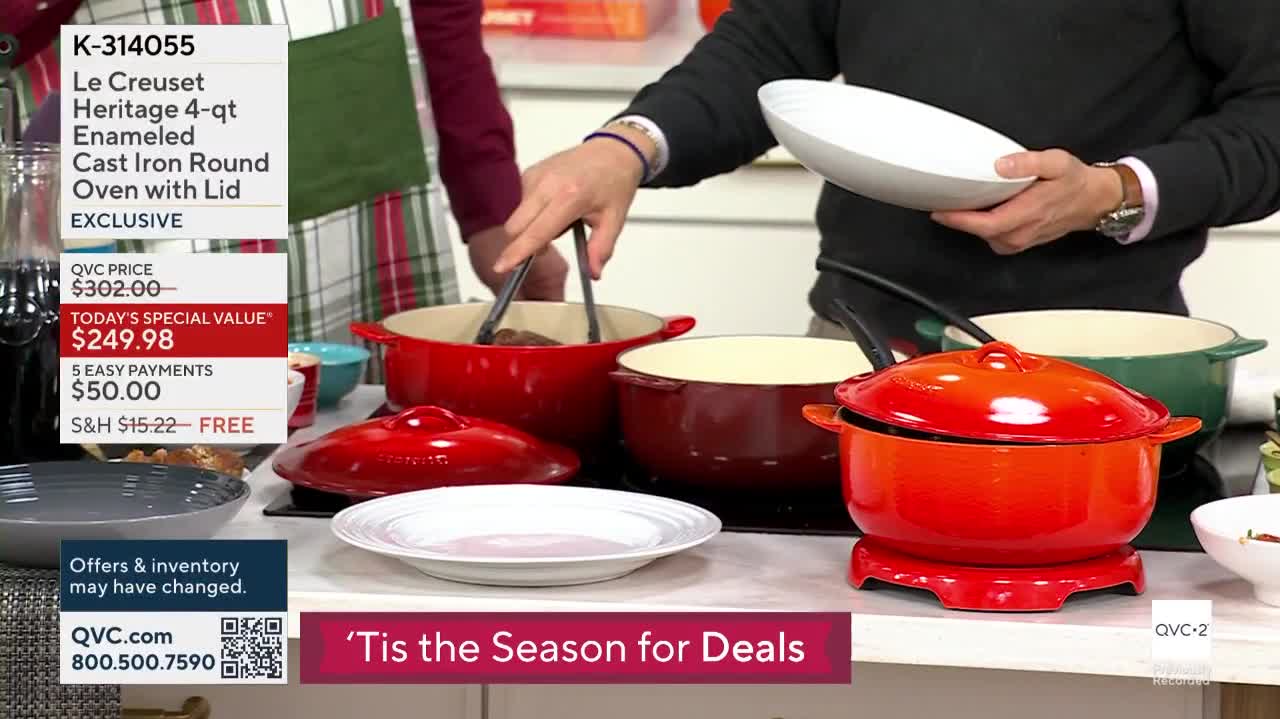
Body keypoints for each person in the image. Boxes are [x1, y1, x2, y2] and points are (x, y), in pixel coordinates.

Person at [492, 0, 1280, 353]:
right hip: (855, 348)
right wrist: (626, 145)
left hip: (1102, 358)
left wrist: (1113, 192)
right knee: (838, 661)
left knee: (1131, 668)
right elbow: (764, 49)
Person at [5, 0, 567, 373]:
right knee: (160, 501)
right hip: (147, 155)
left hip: (356, 177)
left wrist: (491, 204)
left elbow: (441, 12)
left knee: (363, 475)